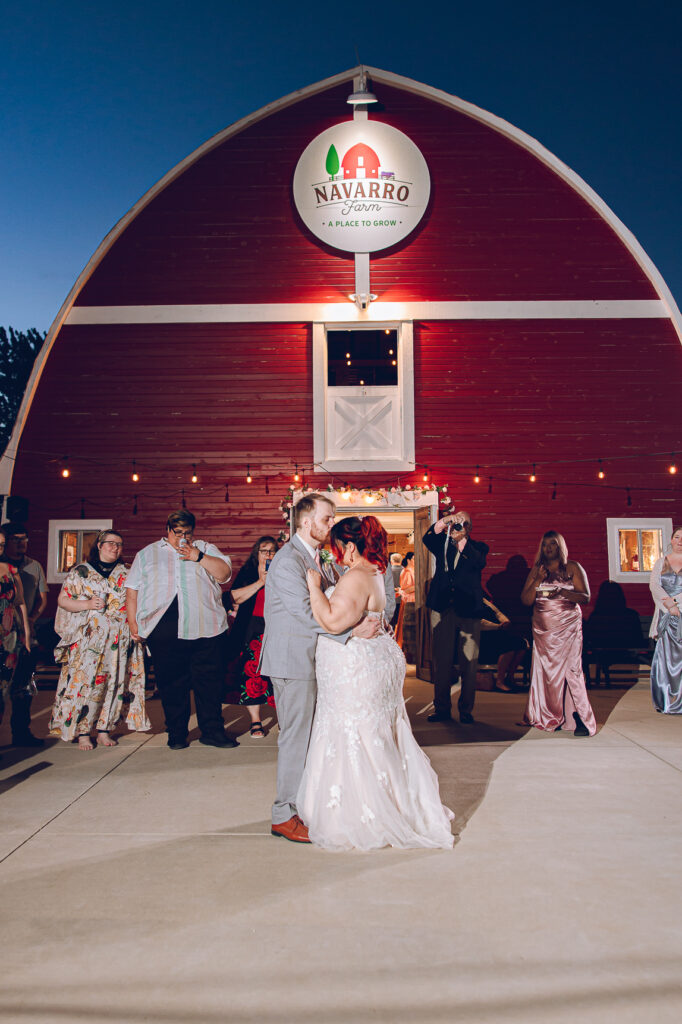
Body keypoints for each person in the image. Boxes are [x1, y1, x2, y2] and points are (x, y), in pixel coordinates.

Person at [298, 516, 454, 851]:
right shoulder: (374, 572)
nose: (335, 554)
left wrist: (313, 586)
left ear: (349, 546)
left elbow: (331, 620)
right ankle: (393, 803)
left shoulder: (356, 575)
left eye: (336, 547)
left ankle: (363, 813)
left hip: (355, 667)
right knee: (375, 734)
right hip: (374, 660)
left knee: (355, 733)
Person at [260, 493, 382, 844]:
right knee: (296, 739)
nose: (331, 525)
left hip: (315, 658)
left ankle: (305, 806)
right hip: (293, 659)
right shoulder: (286, 562)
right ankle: (283, 815)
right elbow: (303, 611)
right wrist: (350, 631)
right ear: (305, 521)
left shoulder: (317, 557)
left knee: (312, 738)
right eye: (327, 519)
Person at [126, 510, 235, 750]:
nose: (183, 538)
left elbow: (224, 575)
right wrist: (133, 622)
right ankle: (176, 733)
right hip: (164, 627)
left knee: (210, 683)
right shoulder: (147, 554)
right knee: (172, 684)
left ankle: (213, 732)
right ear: (168, 530)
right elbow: (132, 588)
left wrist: (199, 556)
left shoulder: (206, 548)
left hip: (206, 625)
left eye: (187, 532)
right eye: (178, 533)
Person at [49, 530, 150, 749]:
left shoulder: (128, 572)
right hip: (89, 640)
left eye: (119, 544)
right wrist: (86, 604)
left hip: (120, 639)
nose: (115, 547)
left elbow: (141, 601)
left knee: (114, 683)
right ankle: (83, 732)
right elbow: (64, 600)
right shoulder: (81, 572)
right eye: (110, 543)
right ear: (99, 545)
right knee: (86, 683)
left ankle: (105, 729)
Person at [521, 531, 596, 736]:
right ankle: (546, 714)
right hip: (543, 630)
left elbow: (585, 596)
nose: (548, 548)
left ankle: (579, 717)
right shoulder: (538, 569)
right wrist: (537, 580)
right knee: (545, 672)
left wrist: (561, 592)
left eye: (552, 544)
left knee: (572, 670)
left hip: (568, 627)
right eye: (544, 544)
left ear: (560, 546)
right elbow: (526, 600)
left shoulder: (572, 567)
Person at [423, 510, 489, 725]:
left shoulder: (478, 547)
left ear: (469, 528)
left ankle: (466, 709)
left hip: (469, 610)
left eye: (462, 524)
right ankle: (442, 708)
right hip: (442, 609)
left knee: (469, 663)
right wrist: (445, 521)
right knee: (441, 661)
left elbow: (477, 563)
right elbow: (428, 536)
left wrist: (462, 542)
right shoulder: (442, 544)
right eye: (455, 523)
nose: (457, 527)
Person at [1, 522, 48, 746]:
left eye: (25, 538)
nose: (21, 543)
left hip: (25, 634)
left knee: (24, 687)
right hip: (3, 634)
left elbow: (42, 599)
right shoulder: (4, 568)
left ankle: (21, 732)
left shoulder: (33, 566)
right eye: (15, 539)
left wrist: (31, 619)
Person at [226, 535, 278, 738]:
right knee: (252, 674)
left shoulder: (282, 572)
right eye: (264, 551)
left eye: (272, 551)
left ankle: (283, 717)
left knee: (278, 673)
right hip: (251, 627)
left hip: (275, 626)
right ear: (257, 553)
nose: (268, 555)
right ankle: (256, 721)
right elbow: (234, 597)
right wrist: (260, 582)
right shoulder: (247, 573)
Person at [0, 526, 32, 735]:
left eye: (1, 544)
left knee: (4, 691)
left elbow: (20, 604)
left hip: (9, 639)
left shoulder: (10, 570)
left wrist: (27, 637)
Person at [649, 525, 682, 713]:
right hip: (666, 616)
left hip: (681, 612)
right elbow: (654, 585)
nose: (680, 541)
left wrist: (677, 603)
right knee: (665, 657)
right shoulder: (661, 562)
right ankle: (666, 700)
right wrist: (669, 605)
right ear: (671, 539)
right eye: (677, 537)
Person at [478, 597, 529, 691]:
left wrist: (506, 621)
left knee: (521, 643)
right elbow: (479, 622)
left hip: (496, 632)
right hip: (482, 634)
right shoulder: (471, 602)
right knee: (508, 646)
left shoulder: (484, 600)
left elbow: (497, 613)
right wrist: (497, 626)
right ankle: (499, 682)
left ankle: (510, 677)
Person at [394, 551, 416, 662]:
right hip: (409, 600)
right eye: (413, 559)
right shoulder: (407, 572)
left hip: (413, 599)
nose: (415, 561)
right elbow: (405, 588)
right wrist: (419, 585)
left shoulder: (413, 571)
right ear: (408, 560)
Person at [389, 552, 403, 627]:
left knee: (391, 622)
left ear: (391, 561)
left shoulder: (388, 572)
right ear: (401, 560)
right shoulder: (405, 570)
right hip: (403, 599)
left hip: (391, 599)